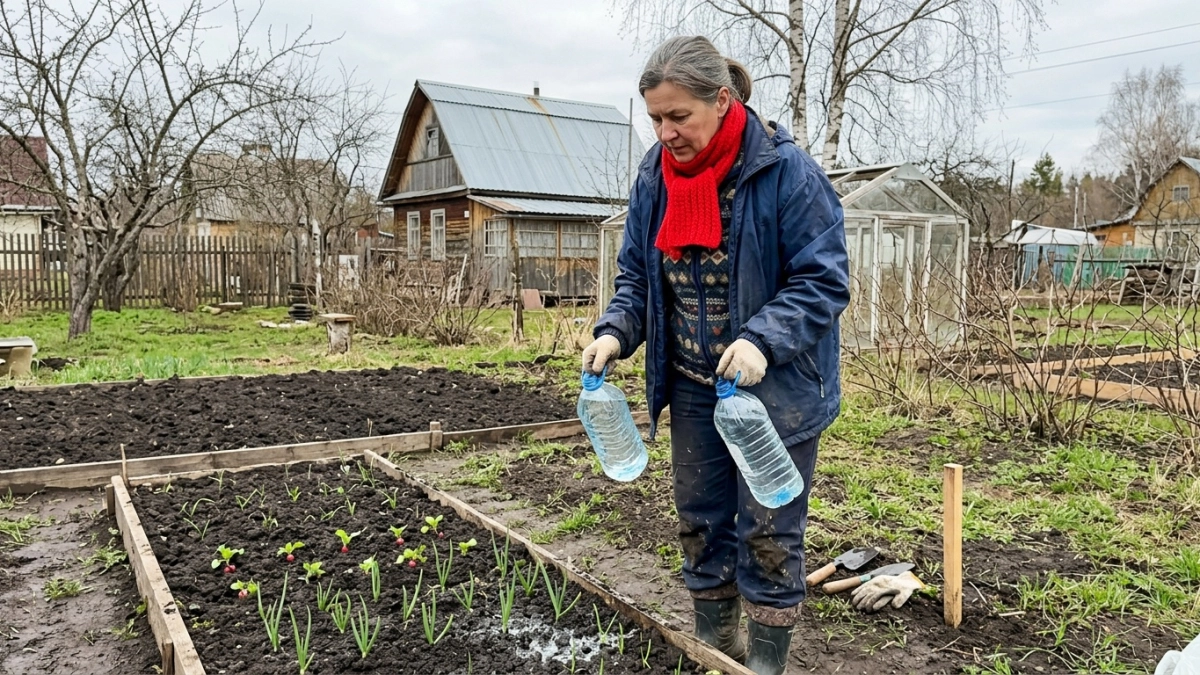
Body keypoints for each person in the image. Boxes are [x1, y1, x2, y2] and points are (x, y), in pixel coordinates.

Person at [581, 36, 849, 675]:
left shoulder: (787, 173)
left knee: (768, 532)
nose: (666, 132)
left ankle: (765, 663)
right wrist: (616, 329)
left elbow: (824, 280)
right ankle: (716, 649)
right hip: (695, 383)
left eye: (679, 117)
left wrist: (763, 338)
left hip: (774, 390)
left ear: (722, 100)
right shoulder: (656, 174)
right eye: (655, 118)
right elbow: (638, 276)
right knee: (700, 520)